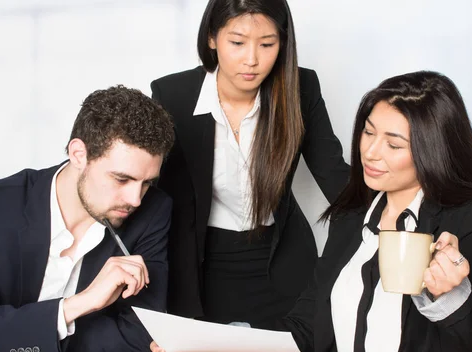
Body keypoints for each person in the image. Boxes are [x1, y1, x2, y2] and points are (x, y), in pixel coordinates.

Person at [281, 70, 472, 352]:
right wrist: (227, 345)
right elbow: (306, 324)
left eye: (393, 145)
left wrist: (453, 294)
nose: (370, 152)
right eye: (368, 132)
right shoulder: (353, 212)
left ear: (432, 151)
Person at [150, 0, 349, 335]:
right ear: (212, 38)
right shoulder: (172, 96)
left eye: (267, 44)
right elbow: (155, 195)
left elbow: (337, 179)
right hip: (201, 270)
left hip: (283, 266)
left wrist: (402, 219)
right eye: (237, 43)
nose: (252, 60)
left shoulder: (300, 89)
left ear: (283, 43)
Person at [0, 85, 174, 352]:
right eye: (121, 179)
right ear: (78, 155)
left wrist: (21, 334)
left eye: (146, 183)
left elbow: (143, 334)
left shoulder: (153, 211)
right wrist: (79, 304)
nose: (135, 200)